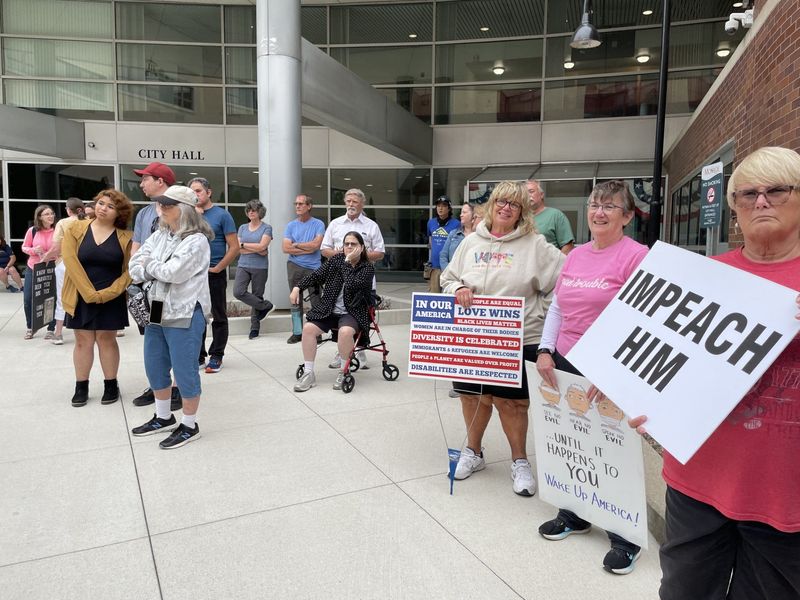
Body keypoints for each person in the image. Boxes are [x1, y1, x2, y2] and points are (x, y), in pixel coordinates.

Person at [629, 147, 800, 599]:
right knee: (684, 591)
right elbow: (669, 363)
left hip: (785, 492)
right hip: (697, 480)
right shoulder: (701, 276)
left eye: (776, 191)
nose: (760, 202)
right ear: (734, 210)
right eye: (747, 195)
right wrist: (642, 396)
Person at [534, 179, 648, 575]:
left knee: (613, 447)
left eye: (610, 207)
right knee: (573, 441)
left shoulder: (636, 256)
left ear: (627, 216)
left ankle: (625, 535)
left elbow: (641, 322)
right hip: (566, 361)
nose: (599, 212)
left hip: (611, 367)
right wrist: (545, 350)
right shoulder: (577, 256)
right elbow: (558, 308)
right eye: (594, 204)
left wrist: (614, 369)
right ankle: (575, 512)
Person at [441, 180, 564, 496]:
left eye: (515, 204)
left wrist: (541, 314)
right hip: (472, 337)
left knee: (512, 403)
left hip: (517, 338)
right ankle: (473, 452)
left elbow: (562, 283)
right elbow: (448, 278)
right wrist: (458, 289)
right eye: (502, 201)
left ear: (522, 212)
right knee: (472, 397)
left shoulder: (534, 244)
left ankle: (519, 461)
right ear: (491, 204)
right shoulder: (471, 243)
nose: (507, 207)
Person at [128, 185, 212, 450]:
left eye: (168, 204)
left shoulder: (196, 240)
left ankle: (189, 424)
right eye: (160, 204)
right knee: (154, 362)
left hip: (184, 310)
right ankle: (163, 416)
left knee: (184, 370)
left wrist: (150, 268)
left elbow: (173, 272)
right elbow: (134, 264)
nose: (161, 208)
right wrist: (153, 268)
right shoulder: (160, 234)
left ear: (184, 210)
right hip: (157, 308)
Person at [61, 190, 133, 407]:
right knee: (83, 341)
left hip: (111, 296)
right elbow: (70, 261)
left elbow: (129, 271)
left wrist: (106, 294)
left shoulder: (126, 237)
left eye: (110, 206)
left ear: (119, 213)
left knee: (106, 340)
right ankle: (81, 386)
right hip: (80, 293)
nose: (103, 208)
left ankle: (111, 384)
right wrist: (89, 294)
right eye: (100, 203)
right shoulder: (74, 228)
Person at [291, 231, 375, 392]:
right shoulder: (336, 260)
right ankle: (309, 373)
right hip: (329, 310)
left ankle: (344, 371)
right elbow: (317, 274)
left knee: (344, 332)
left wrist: (348, 262)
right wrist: (298, 287)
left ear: (362, 247)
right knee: (308, 329)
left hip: (353, 312)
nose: (349, 246)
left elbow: (351, 284)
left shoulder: (367, 268)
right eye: (346, 244)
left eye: (353, 244)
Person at [131, 162, 182, 409]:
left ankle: (178, 387)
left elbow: (179, 260)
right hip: (154, 294)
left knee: (180, 339)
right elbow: (137, 250)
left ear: (160, 181)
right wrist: (136, 280)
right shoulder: (143, 214)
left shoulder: (181, 210)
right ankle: (159, 385)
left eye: (145, 179)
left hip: (179, 294)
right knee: (156, 337)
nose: (141, 184)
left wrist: (148, 268)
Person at [321, 188, 385, 369]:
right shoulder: (335, 224)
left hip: (363, 283)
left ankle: (359, 350)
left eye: (355, 201)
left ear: (362, 204)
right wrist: (341, 256)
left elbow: (380, 253)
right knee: (339, 319)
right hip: (338, 282)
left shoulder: (371, 225)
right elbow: (324, 249)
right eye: (348, 201)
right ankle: (342, 353)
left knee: (359, 318)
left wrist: (359, 255)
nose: (351, 204)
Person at [189, 177, 238, 373]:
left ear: (209, 193)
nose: (195, 195)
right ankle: (199, 355)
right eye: (192, 192)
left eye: (199, 191)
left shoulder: (222, 215)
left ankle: (217, 355)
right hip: (192, 274)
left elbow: (234, 247)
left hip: (213, 272)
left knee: (218, 315)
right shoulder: (187, 215)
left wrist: (219, 268)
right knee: (196, 316)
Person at [42, 197, 86, 345]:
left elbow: (56, 247)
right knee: (85, 295)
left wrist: (45, 259)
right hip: (85, 263)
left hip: (65, 263)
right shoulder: (90, 222)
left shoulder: (63, 223)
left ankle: (58, 333)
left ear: (68, 210)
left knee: (62, 297)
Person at [283, 194, 325, 344]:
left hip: (313, 268)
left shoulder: (318, 224)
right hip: (294, 267)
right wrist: (306, 247)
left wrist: (297, 244)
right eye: (296, 204)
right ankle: (297, 332)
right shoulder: (291, 225)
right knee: (295, 301)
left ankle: (318, 332)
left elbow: (316, 246)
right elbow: (285, 248)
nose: (298, 206)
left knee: (316, 300)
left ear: (309, 206)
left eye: (301, 204)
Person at [233, 199, 273, 339]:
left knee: (257, 296)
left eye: (254, 210)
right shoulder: (242, 228)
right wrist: (256, 248)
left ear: (259, 212)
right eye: (249, 209)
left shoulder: (266, 228)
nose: (251, 212)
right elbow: (238, 248)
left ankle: (254, 328)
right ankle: (266, 306)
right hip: (243, 264)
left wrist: (244, 245)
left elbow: (263, 247)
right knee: (238, 291)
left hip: (260, 267)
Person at [21, 205, 57, 339]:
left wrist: (53, 254)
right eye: (47, 214)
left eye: (52, 213)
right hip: (34, 267)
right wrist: (33, 250)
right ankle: (30, 327)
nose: (51, 216)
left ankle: (51, 328)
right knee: (28, 298)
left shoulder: (57, 230)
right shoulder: (33, 231)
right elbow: (24, 247)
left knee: (52, 297)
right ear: (40, 217)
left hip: (52, 267)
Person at [527, 179, 575, 254]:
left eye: (531, 191)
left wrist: (557, 265)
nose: (527, 195)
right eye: (524, 193)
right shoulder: (520, 218)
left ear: (541, 195)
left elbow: (568, 247)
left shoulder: (556, 215)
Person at [426, 196, 459, 293]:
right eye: (438, 206)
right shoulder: (431, 223)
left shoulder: (456, 224)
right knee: (434, 296)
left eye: (444, 206)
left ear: (449, 208)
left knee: (449, 296)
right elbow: (430, 239)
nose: (440, 208)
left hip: (449, 267)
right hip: (435, 267)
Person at [440, 202, 485, 271]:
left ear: (474, 215)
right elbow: (443, 255)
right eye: (461, 212)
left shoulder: (481, 236)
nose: (461, 215)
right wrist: (448, 272)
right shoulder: (454, 233)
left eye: (464, 212)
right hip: (452, 276)